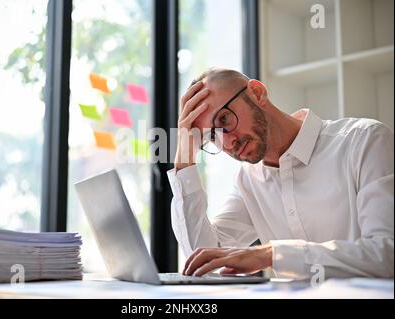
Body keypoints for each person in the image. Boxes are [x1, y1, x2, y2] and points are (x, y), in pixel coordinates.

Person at [167, 68, 394, 279]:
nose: (227, 142)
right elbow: (203, 261)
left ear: (257, 93)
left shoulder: (364, 141)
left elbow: (387, 254)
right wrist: (184, 159)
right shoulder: (248, 180)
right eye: (212, 137)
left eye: (224, 120)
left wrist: (272, 254)